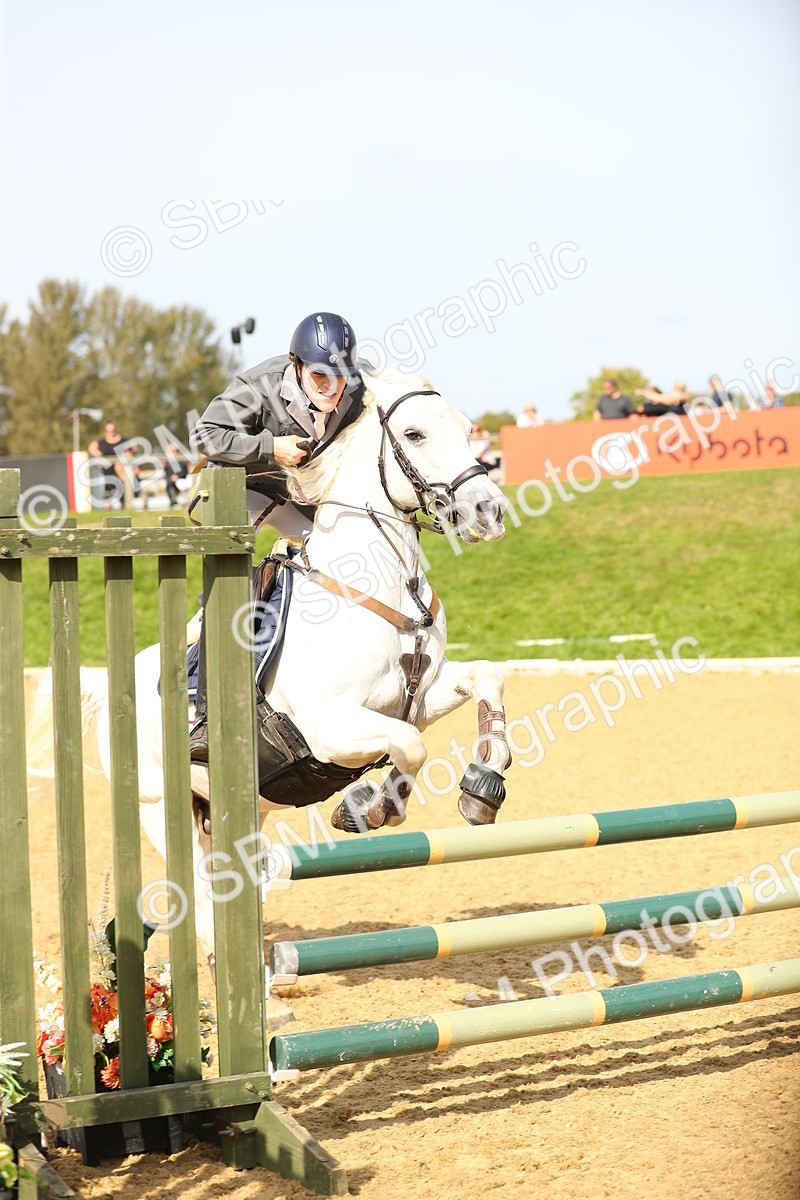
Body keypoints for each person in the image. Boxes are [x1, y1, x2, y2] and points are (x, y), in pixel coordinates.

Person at [188, 311, 367, 760]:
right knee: (233, 576)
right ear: (297, 365)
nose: (333, 387)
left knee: (337, 554)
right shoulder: (259, 384)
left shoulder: (357, 391)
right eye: (321, 376)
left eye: (341, 376)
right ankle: (207, 715)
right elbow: (205, 435)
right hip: (235, 488)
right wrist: (270, 447)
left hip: (294, 495)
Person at [87, 421, 126, 509]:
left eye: (112, 430)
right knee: (107, 500)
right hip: (107, 475)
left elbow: (133, 448)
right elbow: (91, 448)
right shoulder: (102, 443)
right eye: (109, 430)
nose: (111, 432)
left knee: (122, 499)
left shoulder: (122, 441)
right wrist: (99, 455)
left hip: (120, 475)